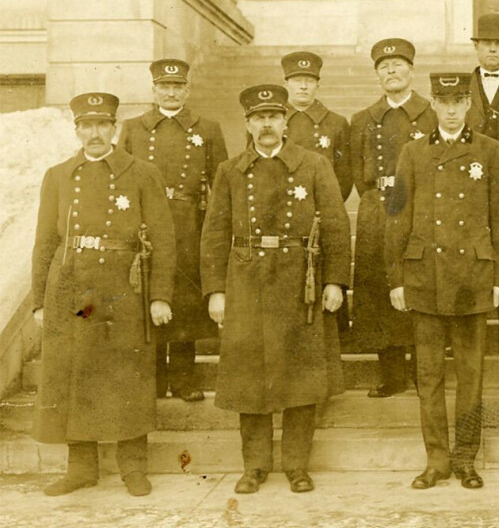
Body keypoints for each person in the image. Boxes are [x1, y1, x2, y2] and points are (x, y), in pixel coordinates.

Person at [201, 84, 351, 494]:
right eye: (257, 118)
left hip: (298, 281)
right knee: (250, 379)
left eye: (273, 117)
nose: (266, 125)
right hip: (246, 280)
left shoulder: (313, 164)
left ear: (286, 122)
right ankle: (255, 466)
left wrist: (335, 280)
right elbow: (214, 233)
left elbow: (337, 225)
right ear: (247, 125)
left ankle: (297, 466)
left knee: (301, 378)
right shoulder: (230, 171)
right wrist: (216, 289)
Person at [32, 92, 176, 497]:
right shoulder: (58, 175)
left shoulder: (141, 172)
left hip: (121, 288)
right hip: (71, 289)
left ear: (114, 128)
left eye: (102, 125)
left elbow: (163, 239)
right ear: (76, 130)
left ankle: (133, 467)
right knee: (73, 375)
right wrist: (40, 301)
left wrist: (159, 295)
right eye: (86, 126)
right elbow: (45, 242)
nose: (94, 133)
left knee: (126, 375)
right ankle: (82, 468)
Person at [386, 73, 499, 490]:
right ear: (434, 105)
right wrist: (396, 279)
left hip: (473, 278)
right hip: (425, 276)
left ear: (469, 105)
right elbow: (396, 219)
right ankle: (436, 460)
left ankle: (465, 458)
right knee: (428, 377)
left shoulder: (490, 152)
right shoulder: (411, 152)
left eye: (459, 101)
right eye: (444, 101)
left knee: (471, 375)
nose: (452, 109)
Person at [118, 58, 228, 403]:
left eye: (177, 86)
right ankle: (152, 381)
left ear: (187, 89)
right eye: (164, 86)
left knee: (184, 302)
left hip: (188, 223)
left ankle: (183, 380)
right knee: (149, 296)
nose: (170, 92)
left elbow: (220, 183)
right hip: (145, 224)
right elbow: (119, 179)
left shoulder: (207, 128)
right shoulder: (135, 128)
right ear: (153, 90)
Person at [350, 38, 436, 398]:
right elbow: (357, 174)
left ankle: (422, 371)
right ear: (377, 75)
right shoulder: (364, 119)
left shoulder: (431, 114)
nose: (391, 71)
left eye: (398, 65)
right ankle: (391, 373)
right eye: (383, 67)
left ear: (411, 71)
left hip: (419, 207)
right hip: (378, 209)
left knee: (417, 282)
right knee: (378, 286)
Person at [281, 51, 353, 199]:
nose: (303, 86)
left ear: (317, 85)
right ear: (285, 84)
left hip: (321, 204)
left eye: (309, 81)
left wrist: (329, 206)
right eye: (297, 80)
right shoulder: (271, 121)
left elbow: (344, 176)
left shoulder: (336, 122)